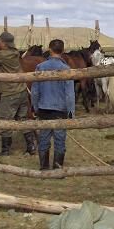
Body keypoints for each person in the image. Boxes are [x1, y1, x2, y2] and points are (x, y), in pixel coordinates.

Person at [31, 39, 75, 170]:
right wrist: (71, 113)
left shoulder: (40, 67)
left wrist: (35, 107)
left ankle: (44, 167)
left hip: (44, 108)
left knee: (44, 138)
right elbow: (70, 95)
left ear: (50, 49)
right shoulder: (66, 69)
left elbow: (35, 91)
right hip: (60, 110)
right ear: (62, 50)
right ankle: (57, 168)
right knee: (60, 139)